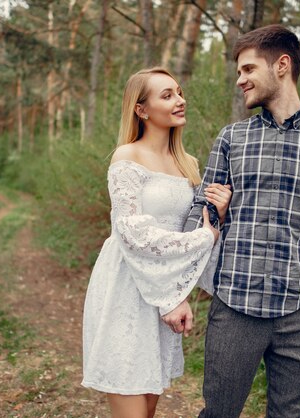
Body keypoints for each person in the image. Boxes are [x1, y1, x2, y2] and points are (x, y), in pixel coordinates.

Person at [183, 24, 300, 417]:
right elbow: (200, 216)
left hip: (299, 310)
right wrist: (177, 289)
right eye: (239, 72)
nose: (240, 80)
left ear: (282, 65)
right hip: (235, 305)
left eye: (248, 70)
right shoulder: (231, 139)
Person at [81, 67, 232, 418]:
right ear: (142, 109)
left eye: (179, 92)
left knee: (148, 405)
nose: (180, 100)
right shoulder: (126, 157)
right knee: (130, 402)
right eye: (167, 95)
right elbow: (131, 232)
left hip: (165, 286)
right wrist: (202, 238)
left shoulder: (189, 164)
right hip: (127, 286)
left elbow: (198, 229)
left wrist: (220, 216)